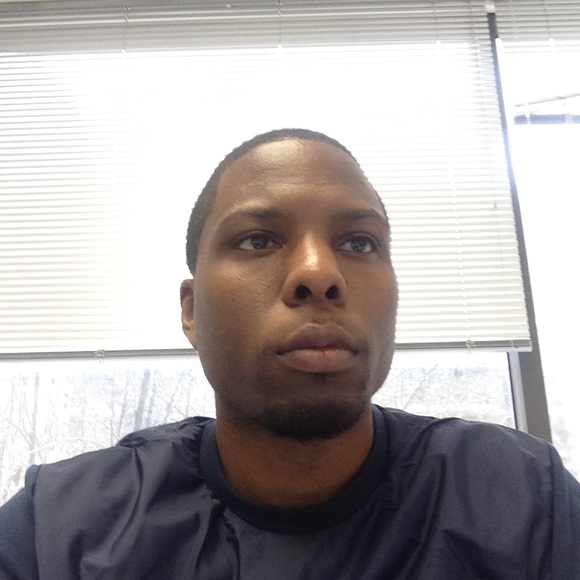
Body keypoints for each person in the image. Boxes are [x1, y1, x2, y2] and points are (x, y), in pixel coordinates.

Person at [0, 128, 578, 579]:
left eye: (359, 243)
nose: (318, 273)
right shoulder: (59, 531)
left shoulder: (524, 501)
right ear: (191, 311)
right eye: (258, 239)